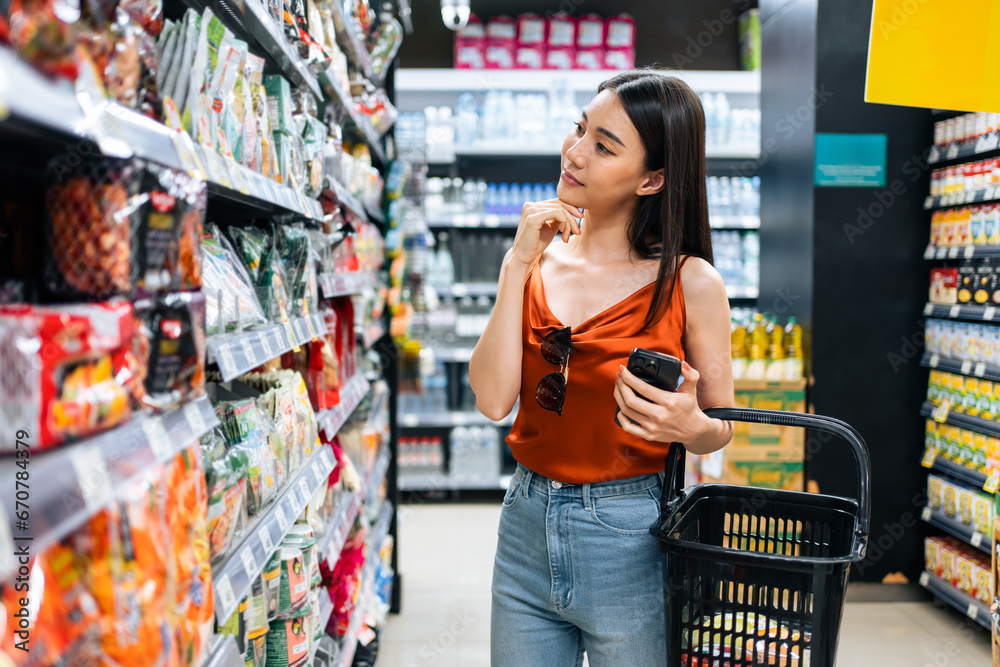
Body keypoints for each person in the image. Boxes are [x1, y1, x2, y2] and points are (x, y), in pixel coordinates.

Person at [468, 70, 736, 666]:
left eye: (604, 145)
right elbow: (491, 401)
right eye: (580, 129)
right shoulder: (538, 262)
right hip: (525, 524)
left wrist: (690, 426)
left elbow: (720, 424)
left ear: (653, 178)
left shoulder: (691, 281)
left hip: (631, 535)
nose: (575, 152)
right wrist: (515, 264)